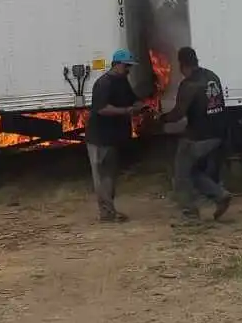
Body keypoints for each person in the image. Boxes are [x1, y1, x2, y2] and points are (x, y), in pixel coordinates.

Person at [159, 47, 232, 223]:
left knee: (181, 175)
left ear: (182, 65)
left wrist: (161, 119)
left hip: (199, 137)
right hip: (218, 134)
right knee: (194, 171)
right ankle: (220, 195)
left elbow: (178, 114)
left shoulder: (189, 84)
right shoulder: (212, 76)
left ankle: (190, 215)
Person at [86, 49, 148, 223]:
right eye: (127, 66)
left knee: (109, 176)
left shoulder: (122, 81)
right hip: (99, 138)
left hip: (113, 138)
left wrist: (139, 105)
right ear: (118, 64)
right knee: (101, 177)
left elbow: (132, 99)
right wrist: (126, 111)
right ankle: (106, 214)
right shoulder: (103, 84)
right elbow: (102, 108)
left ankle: (109, 211)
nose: (129, 69)